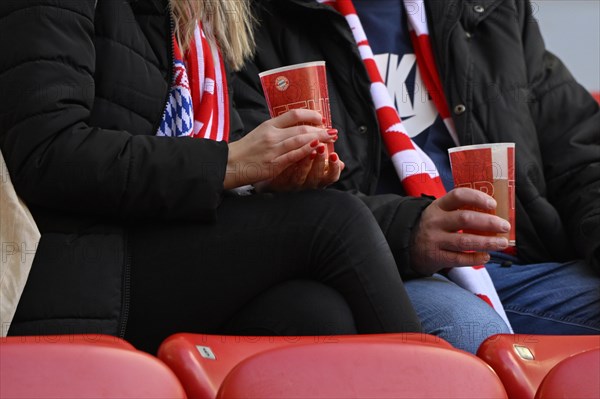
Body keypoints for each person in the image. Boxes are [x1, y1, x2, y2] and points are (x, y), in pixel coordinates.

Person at [0, 0, 423, 354]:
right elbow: (46, 152)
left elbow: (233, 153)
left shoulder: (204, 17)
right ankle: (432, 382)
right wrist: (230, 163)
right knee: (334, 222)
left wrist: (267, 178)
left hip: (165, 249)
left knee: (313, 314)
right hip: (78, 268)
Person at [233, 0, 600, 352]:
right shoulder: (249, 18)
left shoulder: (491, 8)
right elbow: (255, 195)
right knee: (469, 328)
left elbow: (581, 155)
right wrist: (410, 232)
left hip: (518, 264)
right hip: (384, 272)